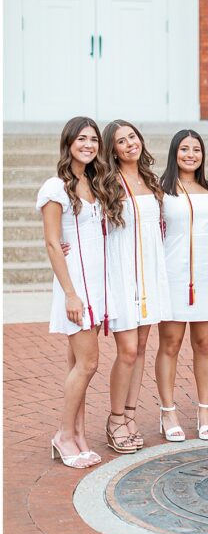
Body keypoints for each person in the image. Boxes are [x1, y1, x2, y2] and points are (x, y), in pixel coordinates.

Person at [39, 117, 116, 468]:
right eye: (81, 139)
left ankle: (79, 435)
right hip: (76, 288)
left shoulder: (94, 183)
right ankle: (63, 435)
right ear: (68, 142)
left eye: (93, 139)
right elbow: (54, 244)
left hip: (96, 285)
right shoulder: (55, 187)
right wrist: (71, 294)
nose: (88, 144)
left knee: (78, 365)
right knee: (89, 363)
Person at [101, 119, 172, 453]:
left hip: (149, 270)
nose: (129, 144)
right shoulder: (106, 182)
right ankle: (115, 418)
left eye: (132, 137)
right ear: (111, 150)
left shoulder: (150, 179)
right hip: (122, 271)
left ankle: (130, 414)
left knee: (142, 348)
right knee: (127, 351)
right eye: (120, 141)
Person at [155, 130, 208, 441]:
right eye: (184, 149)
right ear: (174, 152)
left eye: (196, 149)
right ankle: (167, 412)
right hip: (173, 273)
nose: (190, 154)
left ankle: (204, 409)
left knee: (205, 345)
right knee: (170, 344)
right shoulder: (161, 191)